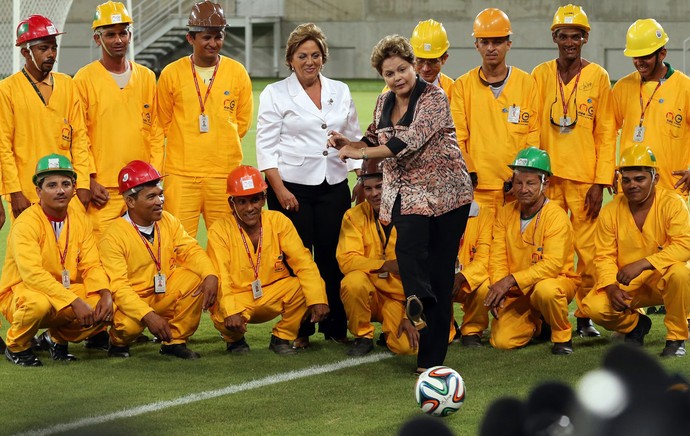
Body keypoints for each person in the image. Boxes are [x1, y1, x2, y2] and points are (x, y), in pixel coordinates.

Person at [329, 35, 473, 373]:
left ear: (414, 67)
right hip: (408, 194)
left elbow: (400, 144)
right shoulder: (384, 102)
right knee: (407, 247)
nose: (398, 77)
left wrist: (359, 153)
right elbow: (376, 134)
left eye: (402, 69)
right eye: (389, 73)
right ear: (383, 77)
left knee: (439, 275)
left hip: (447, 195)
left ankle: (430, 360)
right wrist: (350, 142)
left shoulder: (434, 98)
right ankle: (418, 299)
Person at [256, 23, 361, 345]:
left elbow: (355, 138)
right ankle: (298, 329)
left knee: (333, 257)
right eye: (302, 55)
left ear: (323, 58)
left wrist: (359, 175)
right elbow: (266, 148)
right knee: (296, 258)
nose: (309, 61)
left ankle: (334, 327)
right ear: (290, 59)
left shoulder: (340, 90)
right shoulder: (274, 93)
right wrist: (280, 190)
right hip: (292, 187)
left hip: (334, 185)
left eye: (315, 55)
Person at [531, 4, 616, 338]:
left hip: (584, 180)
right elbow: (532, 127)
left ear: (585, 38)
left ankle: (584, 315)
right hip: (548, 178)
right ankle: (549, 315)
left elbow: (607, 131)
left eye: (576, 36)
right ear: (555, 38)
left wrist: (600, 180)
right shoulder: (539, 74)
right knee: (552, 249)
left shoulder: (598, 76)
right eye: (564, 36)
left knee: (590, 253)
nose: (570, 42)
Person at [98, 161, 218, 359]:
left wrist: (210, 274)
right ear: (130, 201)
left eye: (160, 194)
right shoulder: (113, 236)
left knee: (194, 280)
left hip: (162, 292)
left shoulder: (168, 220)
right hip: (132, 299)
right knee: (128, 326)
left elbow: (191, 250)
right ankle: (118, 343)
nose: (159, 201)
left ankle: (174, 341)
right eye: (151, 196)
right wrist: (148, 315)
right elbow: (119, 287)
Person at [0, 154, 113, 366]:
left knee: (105, 304)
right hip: (21, 294)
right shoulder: (25, 223)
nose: (60, 190)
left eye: (66, 184)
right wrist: (74, 301)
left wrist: (106, 293)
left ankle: (55, 339)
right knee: (38, 304)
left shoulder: (80, 219)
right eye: (51, 185)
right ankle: (17, 346)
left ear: (73, 188)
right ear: (38, 192)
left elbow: (92, 265)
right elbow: (32, 275)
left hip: (62, 291)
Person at [207, 166, 329, 355]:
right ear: (232, 204)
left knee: (306, 287)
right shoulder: (219, 229)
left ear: (264, 198)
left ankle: (282, 337)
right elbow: (221, 275)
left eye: (255, 200)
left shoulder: (278, 221)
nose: (250, 208)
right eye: (242, 201)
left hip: (272, 291)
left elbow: (303, 261)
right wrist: (230, 310)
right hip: (238, 296)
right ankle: (235, 341)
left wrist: (318, 299)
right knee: (219, 304)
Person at [582, 145, 690, 358]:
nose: (632, 185)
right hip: (630, 286)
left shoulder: (673, 203)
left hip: (664, 280)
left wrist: (643, 263)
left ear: (655, 179)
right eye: (627, 179)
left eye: (640, 179)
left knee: (680, 272)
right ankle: (636, 325)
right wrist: (611, 288)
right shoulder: (611, 210)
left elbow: (685, 245)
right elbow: (603, 256)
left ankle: (676, 338)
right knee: (593, 307)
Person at [157, 1, 253, 238]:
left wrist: (219, 144)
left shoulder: (237, 72)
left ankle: (224, 278)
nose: (213, 43)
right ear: (190, 38)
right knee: (178, 241)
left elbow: (242, 121)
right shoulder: (171, 73)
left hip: (224, 172)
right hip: (181, 173)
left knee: (227, 241)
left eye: (218, 36)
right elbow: (163, 122)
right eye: (206, 37)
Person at [73, 1, 163, 239]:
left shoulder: (146, 77)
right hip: (104, 190)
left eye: (123, 33)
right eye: (110, 34)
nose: (118, 39)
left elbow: (156, 132)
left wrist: (154, 177)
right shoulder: (84, 79)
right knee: (101, 255)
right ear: (97, 39)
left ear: (130, 35)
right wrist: (88, 179)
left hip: (142, 186)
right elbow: (79, 136)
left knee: (144, 252)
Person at [484, 147, 580, 355]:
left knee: (546, 291)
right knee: (502, 341)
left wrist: (508, 281)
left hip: (555, 282)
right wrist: (499, 288)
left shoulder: (556, 216)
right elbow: (498, 256)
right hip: (517, 290)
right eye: (518, 182)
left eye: (530, 183)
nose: (523, 189)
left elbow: (553, 265)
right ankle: (538, 325)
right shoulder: (506, 212)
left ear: (544, 184)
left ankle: (562, 336)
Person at [450, 8, 540, 220]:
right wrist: (468, 176)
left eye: (497, 41)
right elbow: (457, 139)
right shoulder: (462, 86)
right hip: (476, 190)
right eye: (485, 42)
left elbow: (533, 135)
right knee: (474, 252)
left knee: (515, 252)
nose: (491, 48)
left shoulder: (527, 83)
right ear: (476, 45)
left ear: (508, 43)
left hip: (516, 191)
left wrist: (521, 178)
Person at [0, 15, 90, 220]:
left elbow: (80, 139)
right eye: (43, 49)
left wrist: (83, 183)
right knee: (28, 250)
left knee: (67, 250)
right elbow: (3, 146)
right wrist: (14, 192)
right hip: (27, 192)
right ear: (25, 52)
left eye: (54, 47)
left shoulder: (68, 84)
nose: (51, 54)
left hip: (67, 192)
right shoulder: (7, 90)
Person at [336, 158, 419, 356]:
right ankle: (362, 337)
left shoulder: (412, 213)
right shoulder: (353, 215)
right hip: (371, 292)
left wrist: (413, 315)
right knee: (352, 281)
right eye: (368, 188)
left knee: (406, 348)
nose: (374, 194)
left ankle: (391, 332)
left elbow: (424, 271)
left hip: (400, 299)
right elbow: (346, 260)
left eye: (380, 186)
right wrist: (385, 266)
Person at [613, 19, 690, 197]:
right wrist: (608, 169)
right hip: (630, 188)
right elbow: (607, 132)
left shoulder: (685, 88)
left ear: (662, 54)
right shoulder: (622, 87)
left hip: (670, 189)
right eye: (635, 57)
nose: (639, 62)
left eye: (645, 56)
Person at [451, 197, 492, 347]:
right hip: (443, 276)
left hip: (468, 279)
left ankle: (472, 330)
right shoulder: (434, 210)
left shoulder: (484, 213)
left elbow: (484, 257)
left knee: (485, 286)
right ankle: (446, 329)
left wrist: (462, 276)